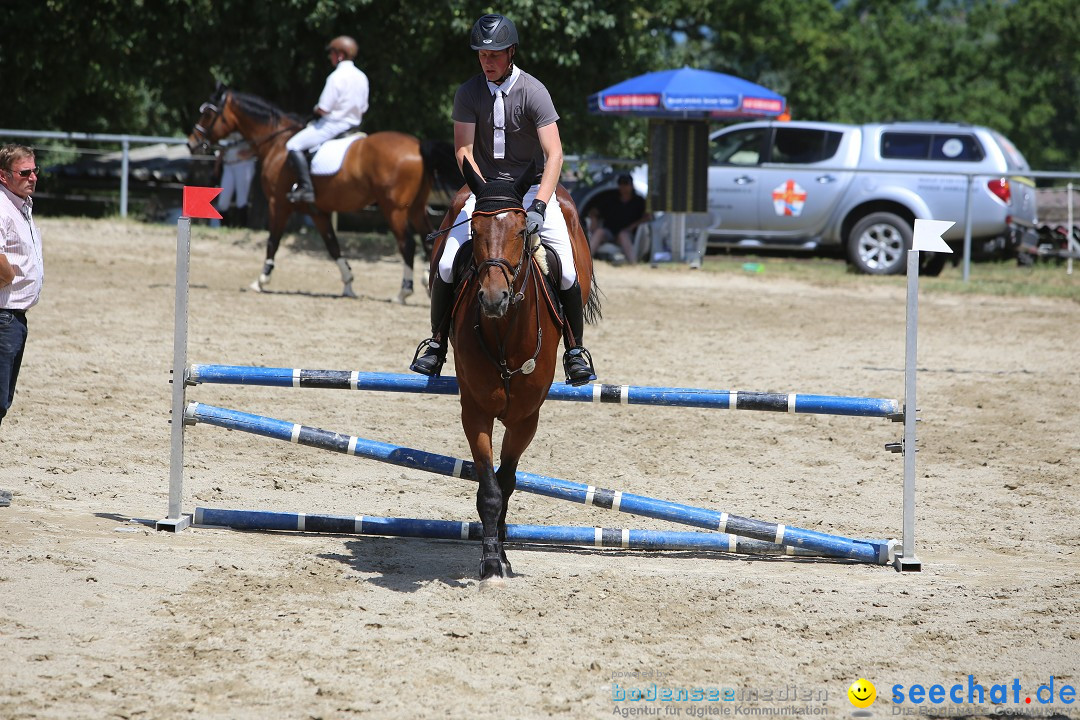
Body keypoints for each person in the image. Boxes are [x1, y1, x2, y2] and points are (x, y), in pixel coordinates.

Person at [410, 13, 596, 386]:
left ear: (511, 52)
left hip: (530, 190)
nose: (487, 60)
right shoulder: (468, 92)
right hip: (483, 189)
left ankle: (575, 350)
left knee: (567, 268)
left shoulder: (534, 91)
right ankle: (437, 343)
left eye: (494, 54)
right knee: (447, 263)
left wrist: (541, 205)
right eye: (481, 54)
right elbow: (463, 150)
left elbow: (554, 155)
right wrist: (483, 193)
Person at [284, 35, 369, 203]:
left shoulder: (336, 77)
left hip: (333, 125)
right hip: (354, 126)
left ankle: (306, 188)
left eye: (332, 53)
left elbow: (323, 108)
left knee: (292, 145)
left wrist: (315, 109)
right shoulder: (362, 76)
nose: (330, 57)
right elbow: (364, 107)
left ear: (340, 55)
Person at [0, 144, 44, 428]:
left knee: (3, 402)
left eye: (34, 170)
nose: (33, 177)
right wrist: (9, 276)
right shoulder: (3, 208)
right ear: (4, 176)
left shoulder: (21, 205)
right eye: (24, 172)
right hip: (4, 316)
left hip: (15, 318)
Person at [588, 173, 648, 265]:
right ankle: (585, 261)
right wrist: (594, 220)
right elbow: (593, 211)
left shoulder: (639, 201)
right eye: (621, 184)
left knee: (623, 235)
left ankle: (633, 264)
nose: (623, 187)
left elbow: (647, 217)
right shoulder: (611, 199)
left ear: (631, 185)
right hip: (609, 232)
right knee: (599, 232)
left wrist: (632, 227)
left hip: (627, 234)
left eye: (626, 184)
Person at [215, 132, 256, 227]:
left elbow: (259, 142)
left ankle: (241, 226)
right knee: (223, 202)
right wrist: (217, 166)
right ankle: (225, 226)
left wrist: (251, 152)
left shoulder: (245, 127)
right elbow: (223, 147)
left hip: (243, 164)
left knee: (241, 200)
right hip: (228, 165)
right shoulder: (226, 129)